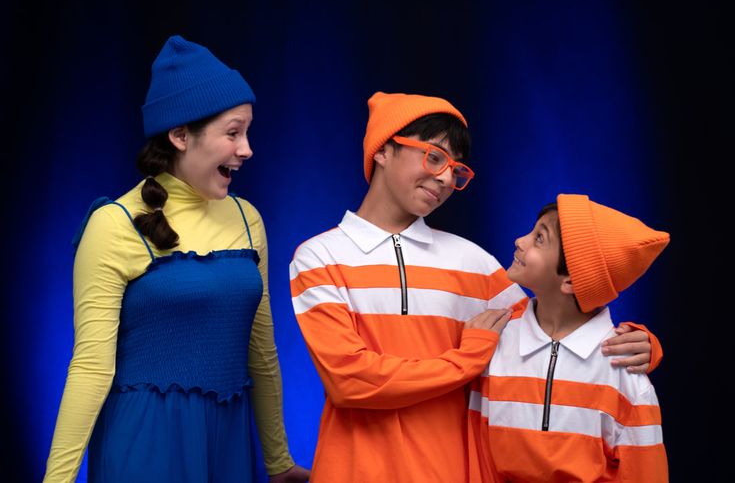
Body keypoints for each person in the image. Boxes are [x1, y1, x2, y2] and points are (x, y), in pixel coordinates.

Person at [288, 92, 660, 482]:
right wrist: (468, 358)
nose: (447, 178)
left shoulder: (474, 264)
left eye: (456, 169)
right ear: (382, 151)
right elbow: (350, 381)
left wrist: (638, 346)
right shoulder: (318, 257)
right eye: (434, 157)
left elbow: (553, 333)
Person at [44, 35, 309, 483]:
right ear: (180, 135)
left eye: (247, 131)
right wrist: (57, 479)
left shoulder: (248, 220)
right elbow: (91, 365)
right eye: (232, 132)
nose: (247, 149)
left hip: (228, 441)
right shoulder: (114, 223)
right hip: (145, 442)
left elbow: (260, 352)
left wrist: (278, 460)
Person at [468, 194, 669, 482]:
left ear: (572, 282)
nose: (520, 241)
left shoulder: (626, 379)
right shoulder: (493, 340)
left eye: (539, 238)